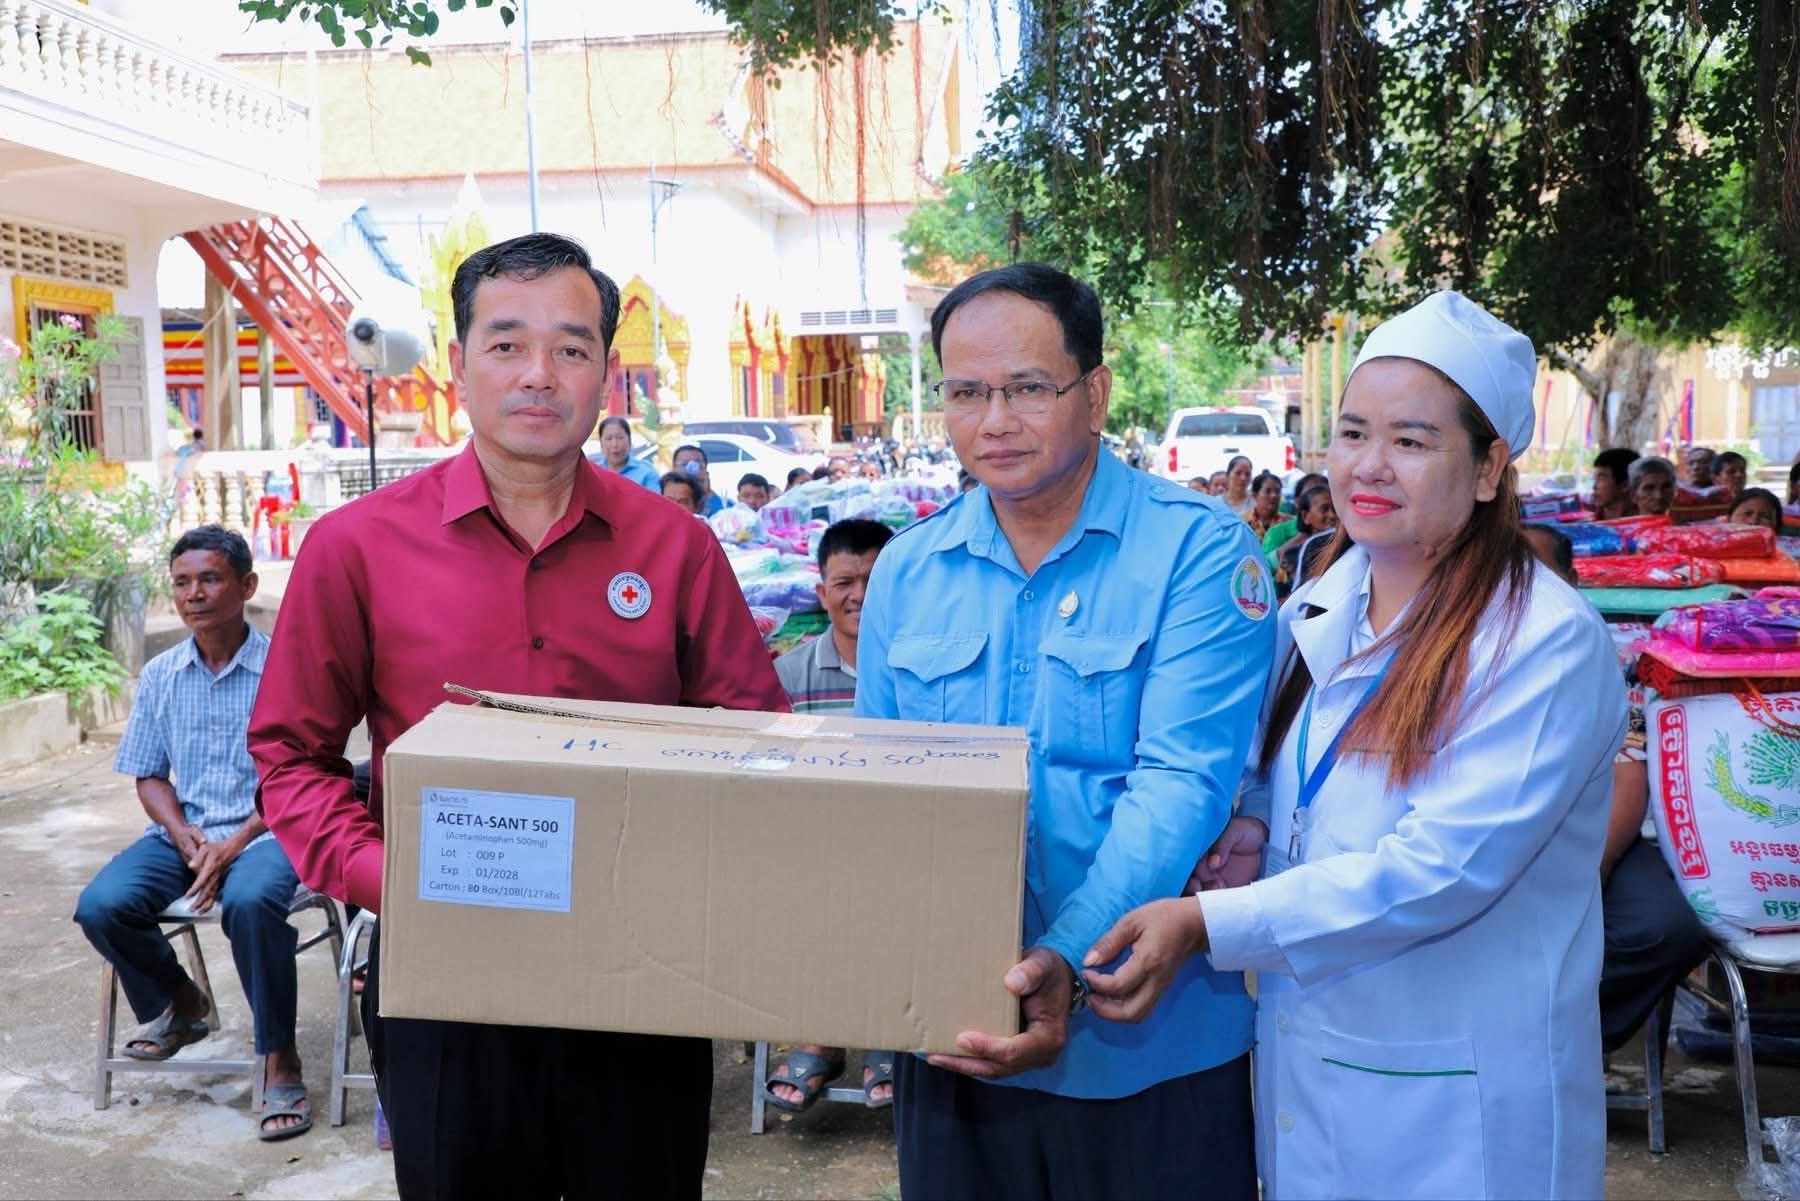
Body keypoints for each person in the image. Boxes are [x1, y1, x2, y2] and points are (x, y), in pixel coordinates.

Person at [247, 232, 789, 1199]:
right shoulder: (355, 547)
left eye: (570, 348)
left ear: (604, 374)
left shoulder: (675, 547)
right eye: (507, 344)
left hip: (643, 971)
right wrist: (389, 876)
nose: (539, 373)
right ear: (459, 365)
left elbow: (758, 739)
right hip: (447, 971)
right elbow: (291, 754)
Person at [1084, 291, 1626, 1200]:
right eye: (1352, 433)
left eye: (1412, 440)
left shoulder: (1541, 640)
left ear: (1490, 466)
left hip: (1463, 1108)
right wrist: (1256, 829)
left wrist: (1211, 922)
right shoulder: (1318, 604)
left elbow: (1443, 868)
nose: (1369, 465)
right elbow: (1295, 777)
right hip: (1315, 1069)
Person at [860, 264, 1272, 1199]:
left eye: (1028, 388)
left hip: (1149, 1053)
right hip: (957, 1043)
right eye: (966, 392)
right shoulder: (907, 571)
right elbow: (882, 796)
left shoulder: (1199, 551)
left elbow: (1181, 785)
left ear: (1096, 392)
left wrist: (1066, 964)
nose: (995, 420)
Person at [74, 525, 311, 1142]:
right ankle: (181, 1001)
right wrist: (183, 835)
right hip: (188, 838)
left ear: (247, 586)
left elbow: (306, 774)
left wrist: (236, 843)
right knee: (102, 905)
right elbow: (150, 775)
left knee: (251, 902)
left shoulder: (287, 668)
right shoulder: (161, 674)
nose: (194, 594)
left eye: (210, 579)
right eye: (182, 582)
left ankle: (279, 1057)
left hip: (270, 832)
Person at [1522, 524, 1713, 1063]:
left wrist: (1596, 867)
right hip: (1493, 836)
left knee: (1666, 928)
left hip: (1595, 832)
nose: (1519, 581)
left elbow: (1629, 768)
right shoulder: (1462, 645)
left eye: (1536, 569)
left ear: (1570, 580)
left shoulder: (1609, 652)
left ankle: (1562, 1045)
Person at [765, 519, 899, 1112]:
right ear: (822, 593)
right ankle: (821, 1032)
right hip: (815, 838)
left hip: (901, 837)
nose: (860, 596)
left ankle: (887, 1030)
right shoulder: (790, 675)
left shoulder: (918, 669)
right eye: (845, 583)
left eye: (875, 580)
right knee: (805, 880)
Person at [1270, 484, 1337, 598]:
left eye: (1335, 509)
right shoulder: (1291, 556)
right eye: (1324, 509)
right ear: (1306, 516)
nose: (1332, 515)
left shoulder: (1347, 546)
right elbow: (1282, 600)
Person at [1260, 472, 1327, 556]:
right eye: (1313, 494)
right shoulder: (1276, 533)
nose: (1322, 500)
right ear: (1297, 501)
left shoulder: (1340, 530)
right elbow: (1264, 563)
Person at [595, 415, 658, 490]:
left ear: (630, 441)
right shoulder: (594, 472)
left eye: (620, 438)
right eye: (609, 439)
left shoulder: (646, 471)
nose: (614, 444)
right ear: (601, 444)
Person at [672, 443, 727, 516]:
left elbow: (726, 517)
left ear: (705, 469)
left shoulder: (724, 504)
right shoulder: (664, 497)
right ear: (674, 468)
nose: (691, 470)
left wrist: (708, 493)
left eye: (696, 465)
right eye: (684, 464)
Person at [1590, 447, 1640, 520]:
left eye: (1601, 478)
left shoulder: (1648, 521)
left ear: (1625, 485)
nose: (1594, 486)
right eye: (1595, 478)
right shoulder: (1589, 522)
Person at [1244, 470, 1284, 539]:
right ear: (1255, 495)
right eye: (1268, 491)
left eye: (1277, 491)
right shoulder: (1243, 523)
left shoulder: (1290, 523)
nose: (1274, 495)